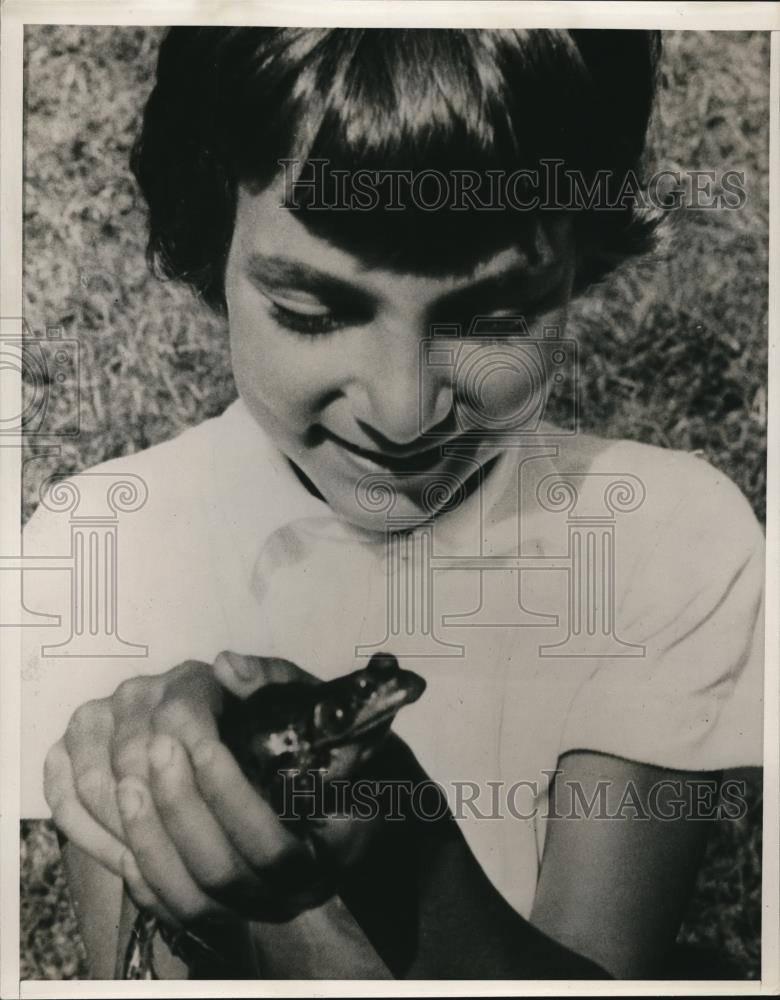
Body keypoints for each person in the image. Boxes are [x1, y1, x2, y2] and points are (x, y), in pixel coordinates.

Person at [21, 27, 765, 980]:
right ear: (211, 233)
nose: (406, 412)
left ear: (582, 257)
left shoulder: (666, 539)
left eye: (494, 318)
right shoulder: (105, 543)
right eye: (314, 312)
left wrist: (401, 860)